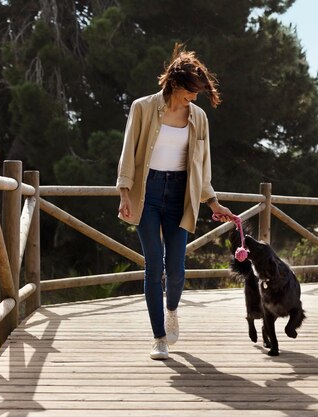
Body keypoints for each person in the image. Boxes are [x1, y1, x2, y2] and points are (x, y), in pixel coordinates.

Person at [116, 44, 234, 360]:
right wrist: (125, 193)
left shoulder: (199, 118)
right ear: (174, 84)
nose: (192, 99)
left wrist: (213, 202)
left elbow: (202, 165)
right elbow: (129, 153)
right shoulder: (142, 108)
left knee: (177, 267)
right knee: (154, 264)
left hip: (181, 194)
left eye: (196, 94)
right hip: (148, 191)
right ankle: (158, 338)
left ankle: (172, 310)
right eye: (189, 93)